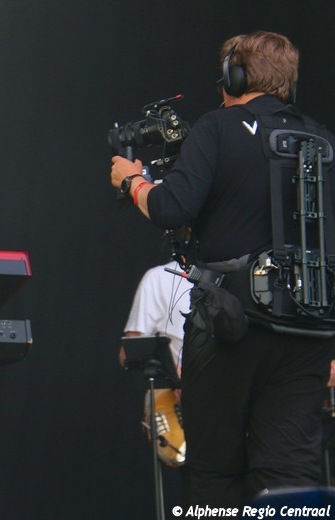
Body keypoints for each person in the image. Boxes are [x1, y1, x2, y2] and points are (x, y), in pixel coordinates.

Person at [110, 31, 334, 509]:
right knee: (291, 471)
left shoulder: (217, 126)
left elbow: (171, 207)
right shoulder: (323, 140)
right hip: (310, 329)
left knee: (214, 470)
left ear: (234, 77)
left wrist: (133, 182)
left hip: (233, 323)